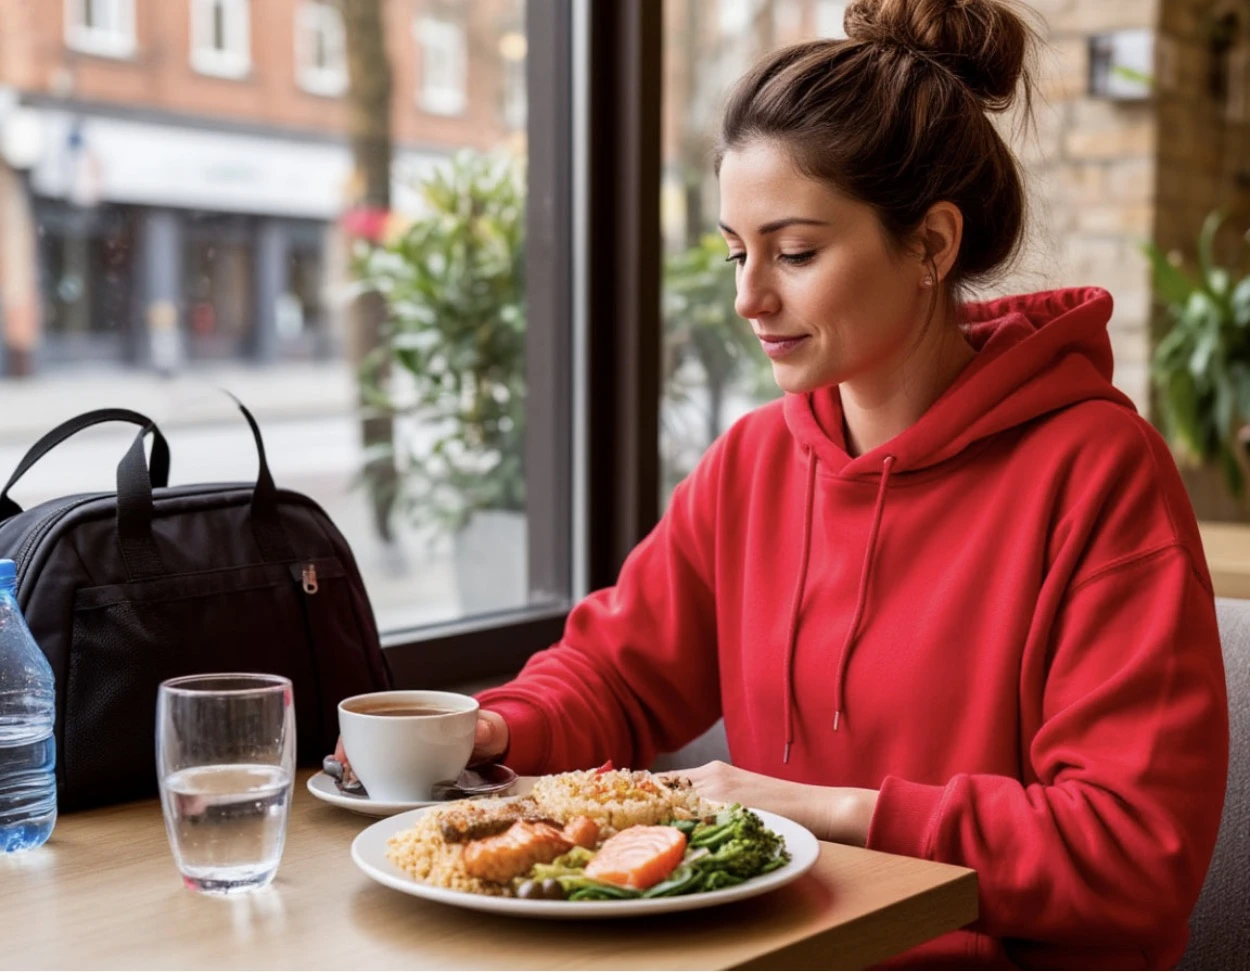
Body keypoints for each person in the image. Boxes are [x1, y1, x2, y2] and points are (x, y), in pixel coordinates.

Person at [339, 0, 1229, 966]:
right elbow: (620, 673)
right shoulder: (756, 460)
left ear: (931, 245)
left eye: (795, 253)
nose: (748, 297)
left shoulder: (1098, 474)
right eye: (736, 250)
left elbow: (1137, 853)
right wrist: (491, 728)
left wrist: (820, 811)